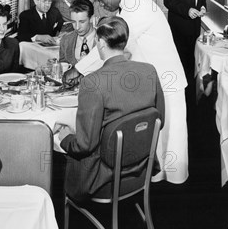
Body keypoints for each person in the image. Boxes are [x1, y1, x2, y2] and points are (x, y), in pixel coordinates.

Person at [63, 0, 189, 184]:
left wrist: (78, 69)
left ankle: (172, 190)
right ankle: (154, 179)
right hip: (151, 78)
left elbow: (112, 43)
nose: (100, 2)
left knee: (171, 138)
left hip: (166, 79)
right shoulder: (131, 3)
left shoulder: (138, 6)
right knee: (157, 135)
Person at [55, 17, 165, 202]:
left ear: (101, 43)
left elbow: (84, 145)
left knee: (58, 148)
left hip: (103, 178)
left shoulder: (92, 82)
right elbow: (159, 121)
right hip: (142, 169)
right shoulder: (149, 71)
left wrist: (64, 138)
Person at [163, 0, 207, 81]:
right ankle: (181, 84)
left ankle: (192, 86)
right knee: (181, 57)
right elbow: (168, 1)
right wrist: (187, 10)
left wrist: (203, 7)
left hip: (195, 25)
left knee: (193, 56)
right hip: (179, 25)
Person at [59, 0, 97, 66]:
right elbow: (63, 66)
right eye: (73, 22)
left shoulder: (104, 40)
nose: (77, 27)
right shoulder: (65, 40)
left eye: (82, 22)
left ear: (91, 19)